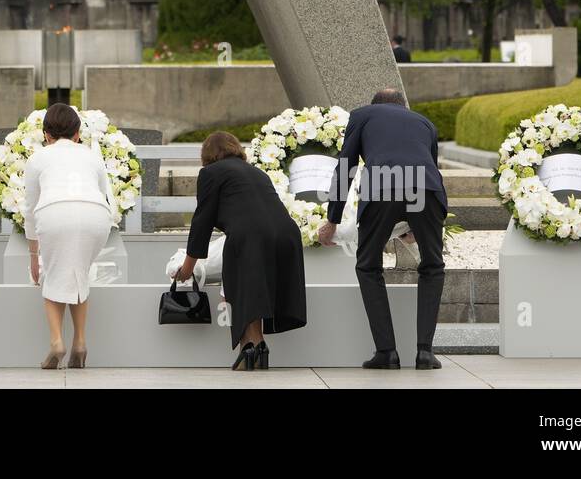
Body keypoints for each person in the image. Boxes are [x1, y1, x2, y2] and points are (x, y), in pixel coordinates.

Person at [318, 87, 447, 370]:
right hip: (427, 191)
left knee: (368, 265)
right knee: (432, 266)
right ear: (402, 105)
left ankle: (386, 352)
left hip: (383, 187)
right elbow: (431, 169)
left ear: (374, 104)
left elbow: (347, 166)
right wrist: (417, 223)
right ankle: (425, 352)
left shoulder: (362, 115)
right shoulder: (424, 122)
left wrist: (333, 219)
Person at [173, 131, 306, 370]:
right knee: (253, 286)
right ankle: (256, 347)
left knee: (243, 286)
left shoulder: (210, 173)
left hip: (252, 235)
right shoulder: (257, 172)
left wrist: (187, 268)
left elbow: (201, 223)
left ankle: (253, 346)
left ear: (208, 155)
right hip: (287, 234)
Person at [22, 103, 116, 369]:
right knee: (78, 273)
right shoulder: (91, 156)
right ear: (77, 133)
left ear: (46, 135)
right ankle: (80, 342)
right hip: (96, 216)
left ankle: (56, 342)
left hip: (54, 213)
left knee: (52, 274)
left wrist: (33, 255)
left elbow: (30, 209)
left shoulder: (38, 158)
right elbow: (102, 192)